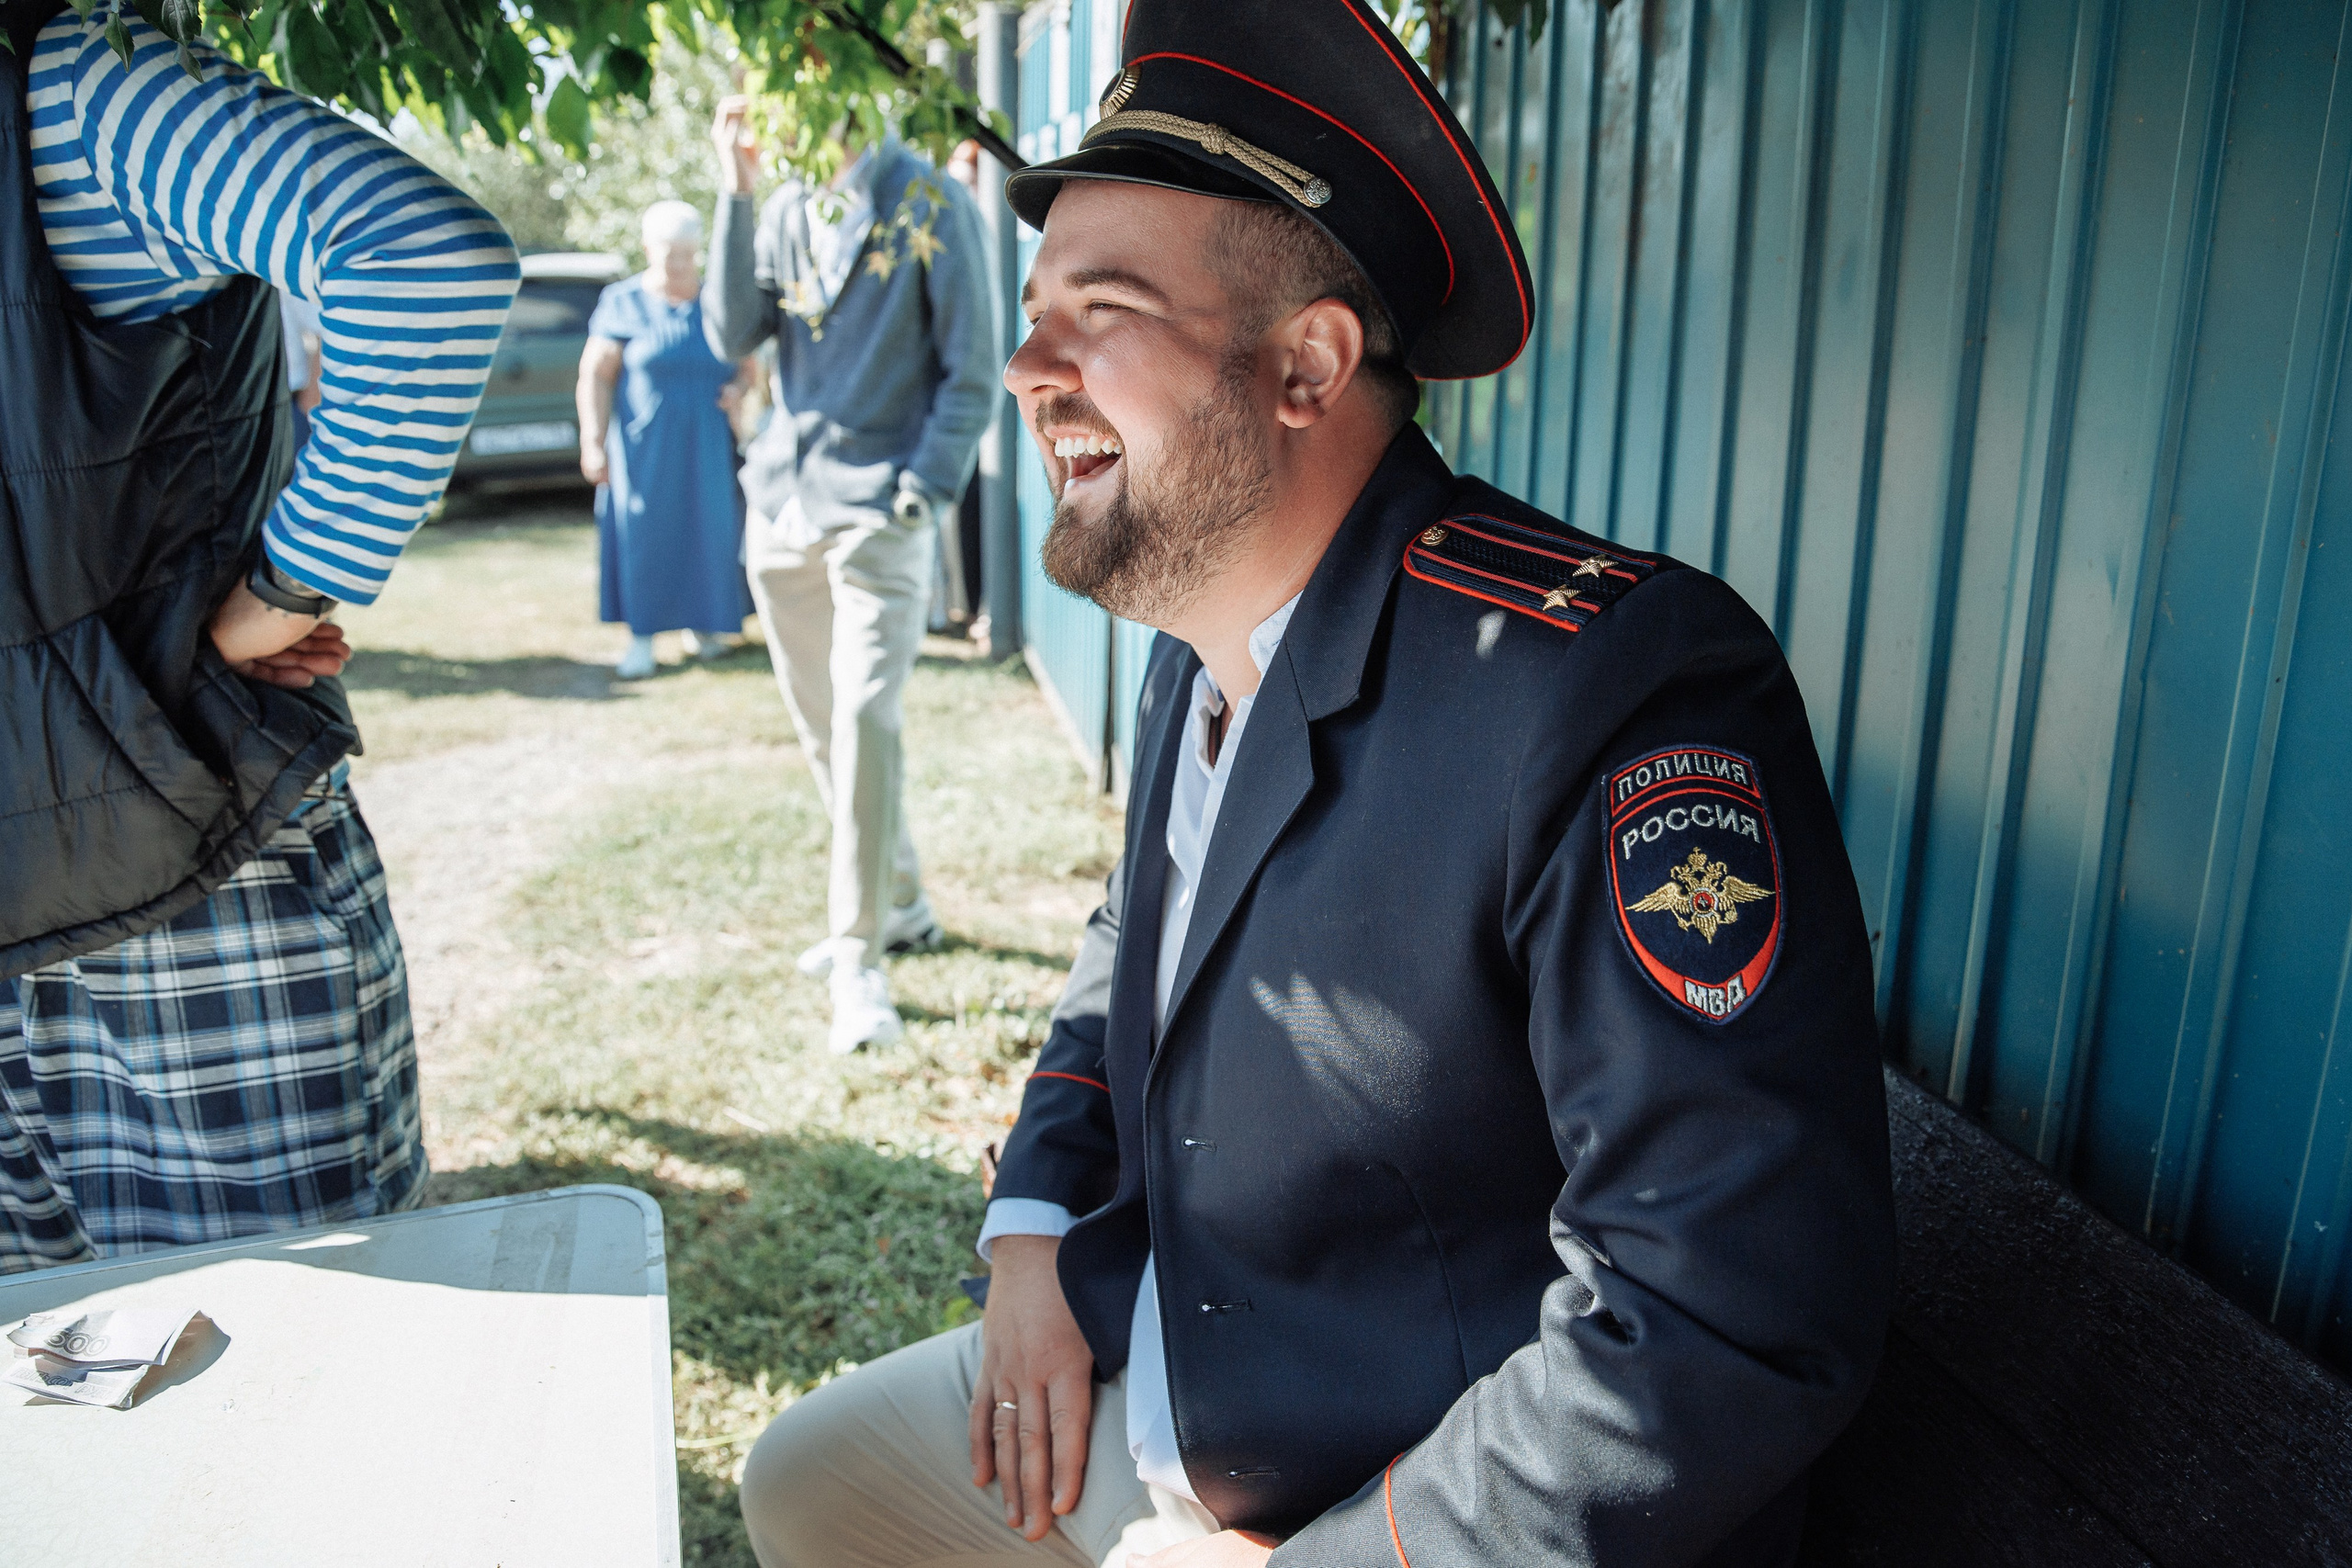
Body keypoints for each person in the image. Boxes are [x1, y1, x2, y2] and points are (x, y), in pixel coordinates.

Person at [733, 3, 1895, 1566]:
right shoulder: (1199, 618)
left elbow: (1721, 1310)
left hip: (1409, 1505)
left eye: (1102, 308)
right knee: (807, 1480)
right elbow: (1130, 944)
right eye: (1032, 309)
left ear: (1306, 365)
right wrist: (1031, 1233)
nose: (1023, 365)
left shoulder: (1600, 686)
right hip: (1180, 1380)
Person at [0, 0, 518, 1269]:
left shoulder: (75, 91)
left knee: (292, 1377)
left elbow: (426, 263)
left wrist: (285, 590)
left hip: (169, 896)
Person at [705, 100, 1000, 1054]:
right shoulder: (782, 200)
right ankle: (902, 902)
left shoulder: (930, 197)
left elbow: (972, 367)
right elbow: (729, 333)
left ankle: (858, 959)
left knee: (866, 719)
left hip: (880, 510)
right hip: (782, 506)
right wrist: (734, 189)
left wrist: (921, 491)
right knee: (826, 733)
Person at [580, 200, 754, 681]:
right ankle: (642, 637)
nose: (679, 263)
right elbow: (595, 374)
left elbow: (748, 365)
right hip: (643, 447)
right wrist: (592, 441)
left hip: (708, 446)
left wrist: (738, 390)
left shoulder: (717, 301)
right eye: (669, 253)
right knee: (645, 536)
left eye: (688, 253)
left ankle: (704, 628)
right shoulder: (623, 302)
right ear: (647, 249)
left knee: (709, 531)